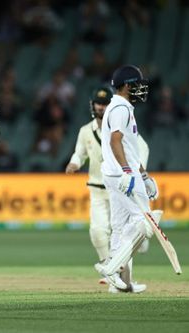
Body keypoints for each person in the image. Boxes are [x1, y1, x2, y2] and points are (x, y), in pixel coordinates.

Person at [65, 85, 150, 293]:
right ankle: (109, 267)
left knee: (124, 233)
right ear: (92, 105)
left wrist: (139, 175)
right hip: (97, 187)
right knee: (98, 231)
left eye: (104, 103)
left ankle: (124, 281)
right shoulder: (86, 130)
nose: (101, 107)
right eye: (98, 103)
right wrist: (74, 163)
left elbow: (141, 148)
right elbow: (79, 153)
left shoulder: (117, 123)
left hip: (121, 186)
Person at [95, 65, 159, 292]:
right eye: (136, 84)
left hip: (118, 173)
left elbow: (130, 148)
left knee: (120, 227)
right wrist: (128, 171)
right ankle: (111, 266)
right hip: (122, 175)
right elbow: (115, 141)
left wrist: (143, 173)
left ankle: (119, 282)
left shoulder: (121, 107)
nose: (140, 89)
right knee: (146, 223)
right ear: (125, 86)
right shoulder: (121, 108)